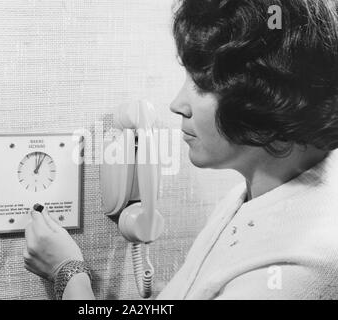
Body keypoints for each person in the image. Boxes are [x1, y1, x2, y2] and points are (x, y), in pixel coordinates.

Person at [24, 0, 338, 299]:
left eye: (202, 85)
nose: (177, 105)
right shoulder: (254, 192)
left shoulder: (297, 269)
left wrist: (68, 273)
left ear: (270, 96)